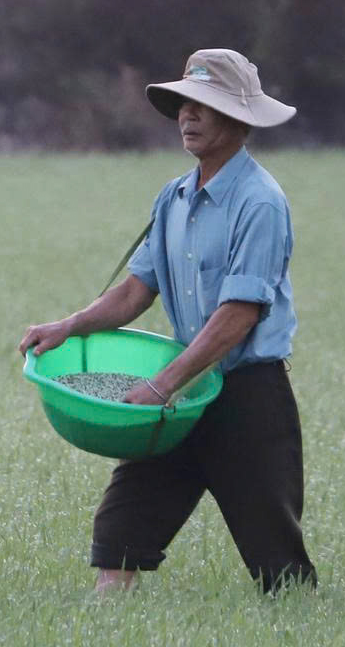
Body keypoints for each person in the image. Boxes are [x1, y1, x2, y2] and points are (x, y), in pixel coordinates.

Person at [19, 48, 317, 594]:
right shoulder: (174, 198)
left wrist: (161, 386)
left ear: (240, 119)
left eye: (205, 105)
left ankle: (300, 631)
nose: (188, 115)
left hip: (246, 397)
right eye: (184, 103)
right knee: (120, 533)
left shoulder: (260, 202)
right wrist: (69, 326)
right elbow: (137, 289)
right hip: (181, 395)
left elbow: (240, 314)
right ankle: (107, 626)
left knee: (278, 564)